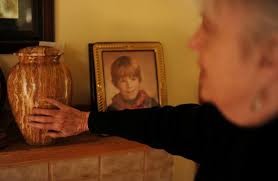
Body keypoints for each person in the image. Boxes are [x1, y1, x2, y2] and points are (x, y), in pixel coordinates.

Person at [28, 1, 278, 181]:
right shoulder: (227, 121)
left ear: (270, 55)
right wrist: (86, 120)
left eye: (211, 29)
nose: (194, 42)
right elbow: (165, 124)